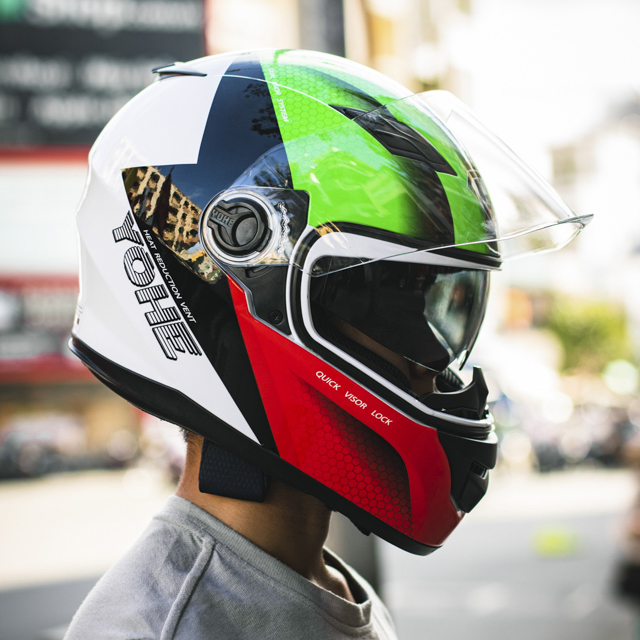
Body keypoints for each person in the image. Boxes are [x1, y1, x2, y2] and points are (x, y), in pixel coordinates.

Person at [63, 49, 590, 639]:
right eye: (384, 306)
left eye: (429, 308)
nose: (430, 367)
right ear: (253, 275)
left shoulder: (319, 584)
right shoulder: (165, 627)